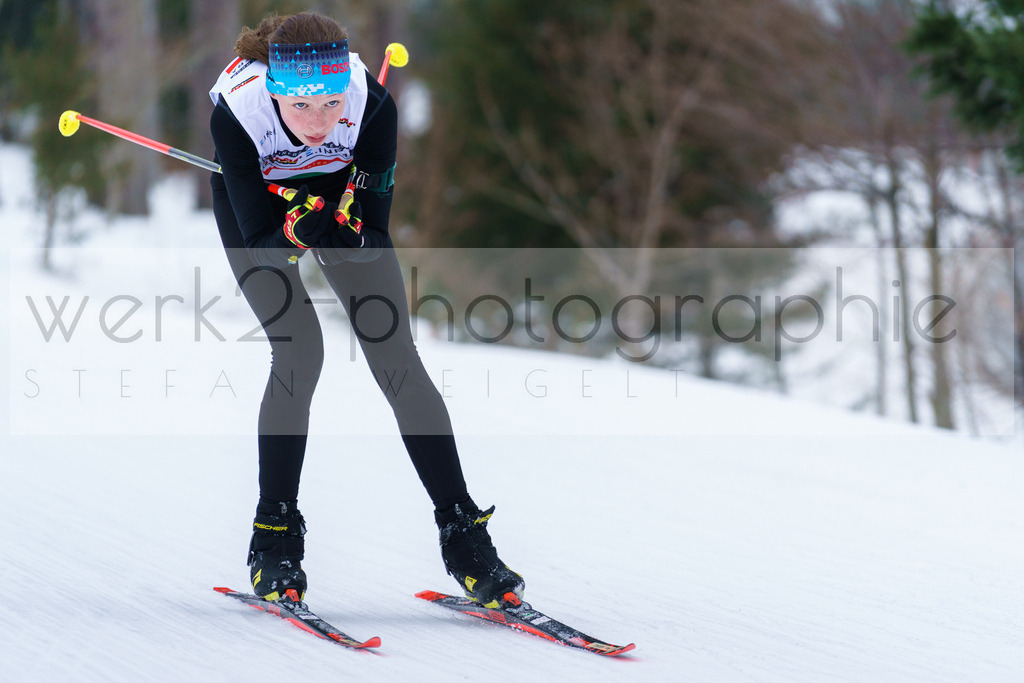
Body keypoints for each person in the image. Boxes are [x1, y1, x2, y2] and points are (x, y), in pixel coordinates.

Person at [208, 11, 524, 609]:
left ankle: (463, 537)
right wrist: (298, 227)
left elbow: (372, 232)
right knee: (301, 351)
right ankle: (273, 536)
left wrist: (347, 222)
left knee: (395, 356)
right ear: (275, 92)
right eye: (301, 108)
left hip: (332, 193)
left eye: (330, 104)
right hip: (263, 208)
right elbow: (262, 245)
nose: (320, 121)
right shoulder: (238, 111)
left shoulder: (373, 105)